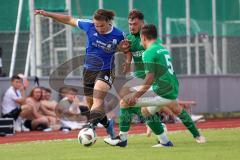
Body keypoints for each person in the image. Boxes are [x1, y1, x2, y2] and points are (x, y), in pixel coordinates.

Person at [35, 9, 128, 138]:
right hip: (89, 70)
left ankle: (90, 126)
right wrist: (47, 14)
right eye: (96, 25)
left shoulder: (119, 35)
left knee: (97, 96)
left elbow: (126, 50)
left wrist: (125, 56)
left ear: (108, 21)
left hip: (106, 70)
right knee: (91, 104)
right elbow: (68, 19)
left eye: (101, 25)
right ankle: (108, 125)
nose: (98, 28)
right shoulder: (88, 25)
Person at [119, 9, 205, 144]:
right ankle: (185, 136)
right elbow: (129, 55)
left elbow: (151, 75)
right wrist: (125, 55)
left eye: (134, 24)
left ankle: (125, 137)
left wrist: (135, 96)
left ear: (142, 27)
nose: (131, 27)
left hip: (154, 83)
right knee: (151, 109)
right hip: (157, 82)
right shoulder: (153, 44)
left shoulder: (150, 47)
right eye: (130, 24)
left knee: (127, 102)